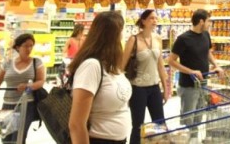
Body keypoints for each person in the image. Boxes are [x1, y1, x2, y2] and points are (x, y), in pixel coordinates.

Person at [69, 11, 132, 144]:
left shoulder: (111, 65)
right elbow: (76, 124)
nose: (122, 36)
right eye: (120, 31)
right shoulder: (91, 66)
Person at [123, 9, 170, 144]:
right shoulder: (133, 40)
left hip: (154, 87)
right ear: (143, 21)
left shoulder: (157, 39)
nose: (155, 21)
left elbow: (161, 66)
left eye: (156, 18)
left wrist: (166, 89)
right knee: (138, 126)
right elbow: (122, 65)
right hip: (138, 88)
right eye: (151, 18)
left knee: (160, 123)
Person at [167, 9, 223, 122]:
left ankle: (194, 140)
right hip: (188, 86)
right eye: (209, 21)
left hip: (203, 83)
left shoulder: (206, 35)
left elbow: (207, 52)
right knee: (187, 119)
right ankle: (186, 139)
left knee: (199, 117)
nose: (210, 24)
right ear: (201, 21)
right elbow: (171, 61)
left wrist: (216, 65)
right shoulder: (183, 39)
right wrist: (191, 71)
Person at [0, 33, 45, 144]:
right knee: (6, 138)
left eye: (31, 46)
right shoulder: (8, 63)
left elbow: (41, 81)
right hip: (7, 104)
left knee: (18, 138)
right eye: (25, 46)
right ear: (18, 47)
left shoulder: (36, 62)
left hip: (26, 105)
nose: (29, 49)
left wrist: (29, 86)